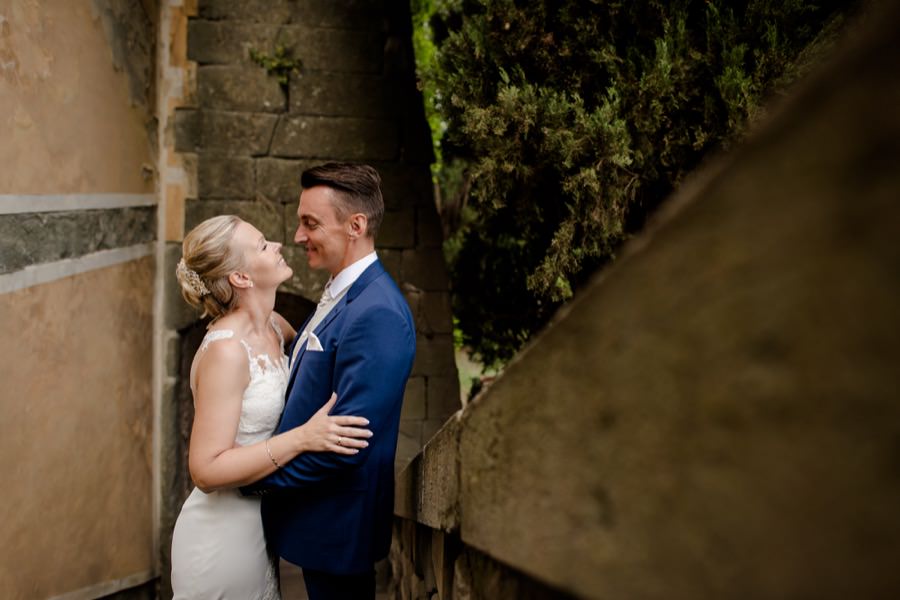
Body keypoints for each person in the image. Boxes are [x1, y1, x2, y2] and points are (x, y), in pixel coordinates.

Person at [169, 215, 372, 600]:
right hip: (221, 538)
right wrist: (302, 438)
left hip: (261, 529)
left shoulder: (276, 327)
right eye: (262, 245)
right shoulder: (227, 352)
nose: (278, 245)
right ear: (241, 278)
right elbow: (206, 469)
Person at [242, 163, 416, 599]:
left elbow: (346, 442)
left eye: (310, 223)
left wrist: (254, 479)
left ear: (355, 226)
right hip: (313, 522)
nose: (299, 236)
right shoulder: (343, 292)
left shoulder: (378, 312)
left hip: (337, 529)